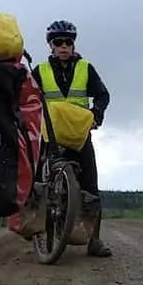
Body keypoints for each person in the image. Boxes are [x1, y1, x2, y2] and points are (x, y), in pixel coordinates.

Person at [34, 19, 113, 258]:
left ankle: (94, 241)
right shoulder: (40, 71)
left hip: (79, 135)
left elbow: (102, 94)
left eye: (68, 42)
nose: (64, 46)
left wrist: (97, 114)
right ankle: (35, 226)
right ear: (51, 46)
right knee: (37, 182)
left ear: (73, 44)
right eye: (58, 42)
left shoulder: (85, 68)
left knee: (91, 185)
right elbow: (27, 97)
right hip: (51, 135)